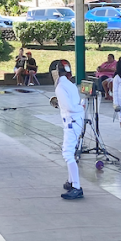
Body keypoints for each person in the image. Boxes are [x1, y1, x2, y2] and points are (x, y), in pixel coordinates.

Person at [53, 60, 85, 200]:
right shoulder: (70, 85)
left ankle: (76, 187)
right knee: (69, 152)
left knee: (67, 153)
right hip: (76, 121)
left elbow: (71, 107)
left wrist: (79, 108)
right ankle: (72, 182)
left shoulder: (60, 87)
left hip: (72, 122)